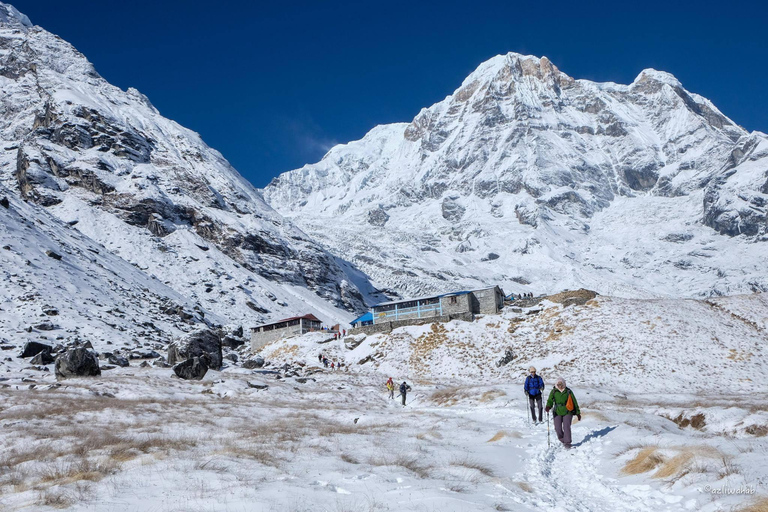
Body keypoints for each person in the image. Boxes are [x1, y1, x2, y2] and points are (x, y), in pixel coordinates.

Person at [545, 377, 581, 449]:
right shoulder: (554, 391)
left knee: (566, 427)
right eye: (558, 385)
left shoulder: (568, 391)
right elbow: (550, 400)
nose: (560, 386)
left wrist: (578, 413)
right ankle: (563, 440)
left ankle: (567, 442)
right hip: (557, 411)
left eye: (561, 384)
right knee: (557, 428)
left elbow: (574, 402)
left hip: (567, 411)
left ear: (564, 384)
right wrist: (548, 406)